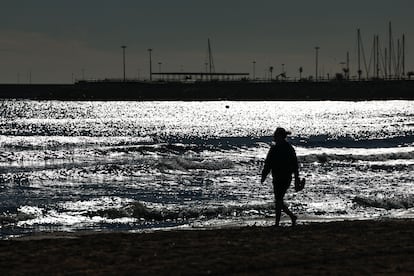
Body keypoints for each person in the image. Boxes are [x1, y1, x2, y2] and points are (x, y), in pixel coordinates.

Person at [261, 127, 300, 227]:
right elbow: (295, 165)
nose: (274, 136)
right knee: (279, 200)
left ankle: (279, 222)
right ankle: (290, 217)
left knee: (278, 200)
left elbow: (268, 163)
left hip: (282, 177)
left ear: (279, 136)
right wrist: (296, 179)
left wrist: (264, 175)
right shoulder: (288, 148)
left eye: (275, 135)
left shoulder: (276, 148)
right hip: (282, 177)